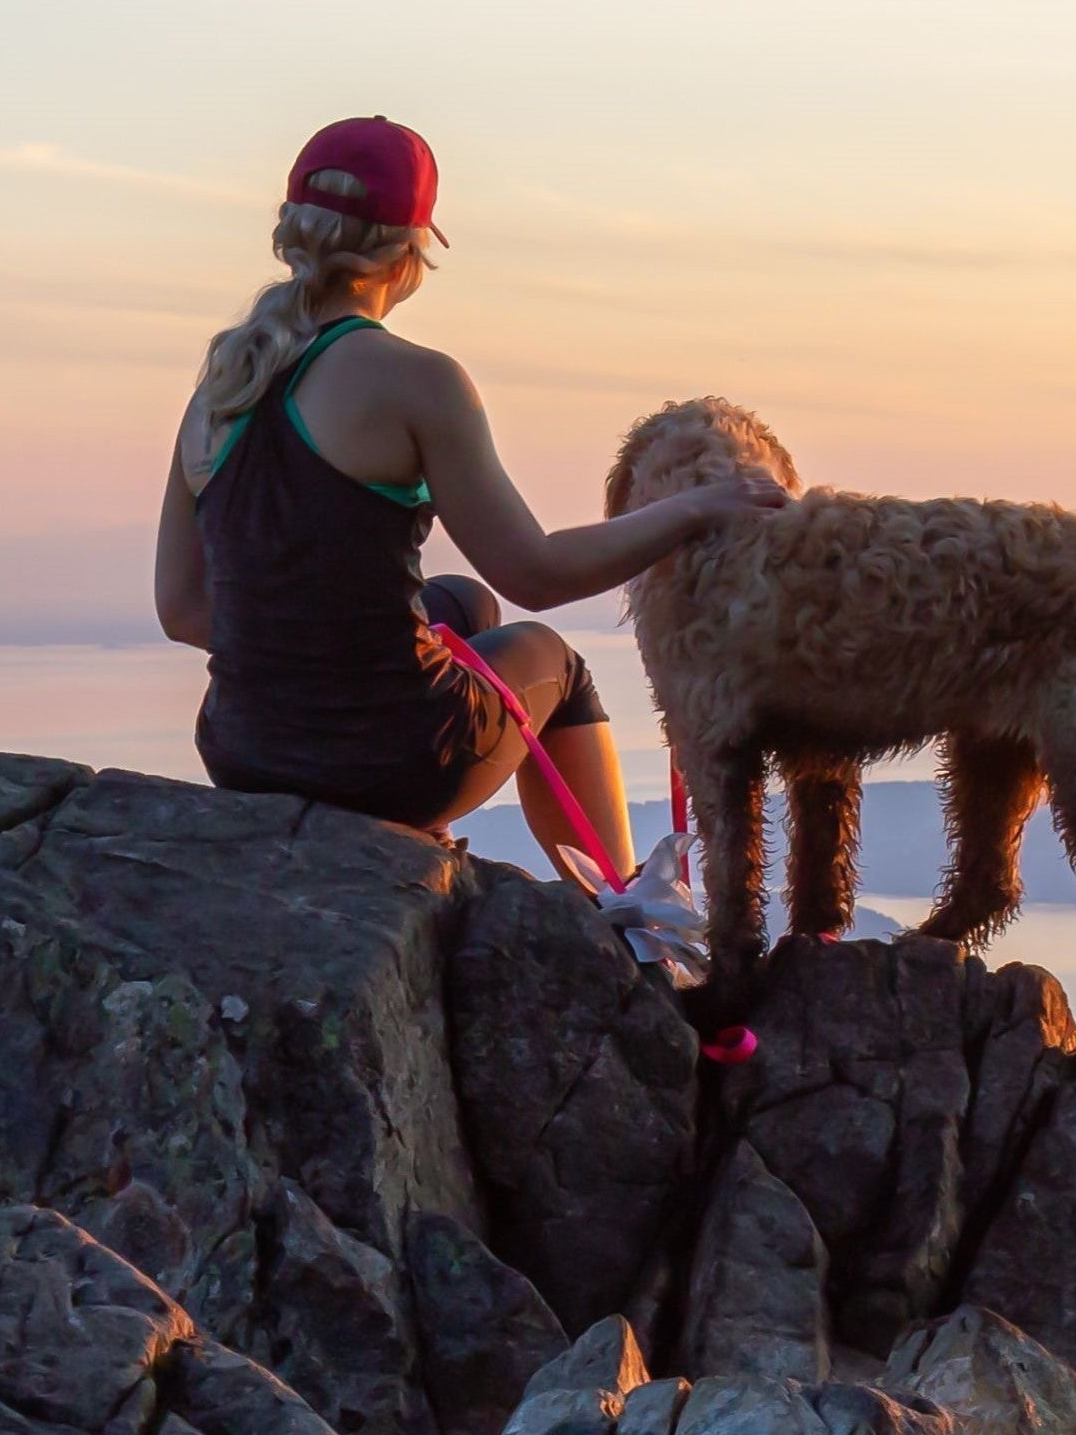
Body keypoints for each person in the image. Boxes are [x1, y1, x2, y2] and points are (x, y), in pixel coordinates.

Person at [154, 115, 785, 880]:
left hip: (244, 752)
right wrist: (696, 508)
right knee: (558, 664)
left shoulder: (221, 385)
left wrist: (301, 656)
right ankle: (626, 919)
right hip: (390, 764)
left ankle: (420, 848)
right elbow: (538, 574)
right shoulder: (417, 380)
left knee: (465, 603)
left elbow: (184, 608)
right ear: (409, 251)